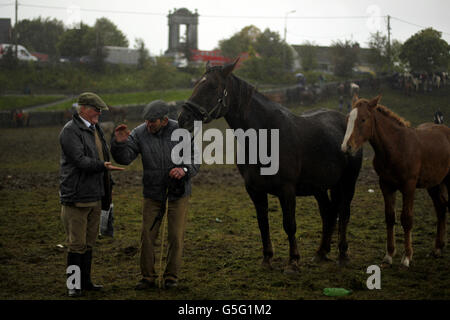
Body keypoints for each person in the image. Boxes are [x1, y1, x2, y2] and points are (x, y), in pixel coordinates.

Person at [110, 100, 199, 290]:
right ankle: (147, 277)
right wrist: (119, 143)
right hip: (152, 193)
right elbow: (125, 158)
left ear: (164, 120)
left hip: (178, 193)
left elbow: (195, 158)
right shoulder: (139, 133)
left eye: (153, 121)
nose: (149, 124)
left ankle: (171, 277)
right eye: (147, 121)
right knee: (147, 236)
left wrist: (184, 169)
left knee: (175, 236)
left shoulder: (181, 131)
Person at [59, 92, 123, 297]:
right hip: (77, 196)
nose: (99, 113)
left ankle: (85, 282)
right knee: (76, 244)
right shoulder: (70, 131)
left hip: (95, 194)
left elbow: (102, 155)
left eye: (100, 110)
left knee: (88, 243)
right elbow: (79, 160)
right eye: (96, 110)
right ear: (83, 109)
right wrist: (102, 166)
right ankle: (73, 284)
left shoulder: (94, 129)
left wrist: (107, 185)